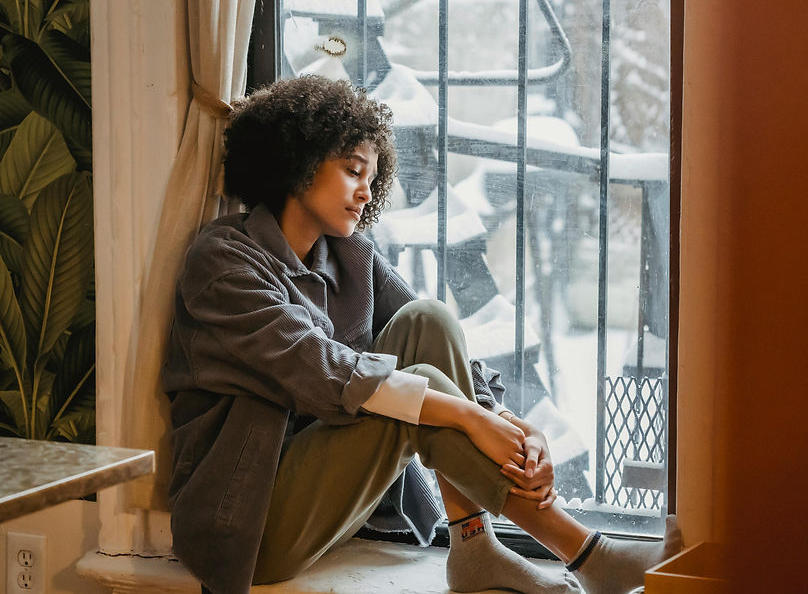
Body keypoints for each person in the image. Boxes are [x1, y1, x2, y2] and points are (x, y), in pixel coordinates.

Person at [163, 75, 683, 594]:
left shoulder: (351, 253)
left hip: (330, 499)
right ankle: (591, 555)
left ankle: (476, 547)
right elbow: (322, 370)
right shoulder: (223, 261)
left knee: (428, 318)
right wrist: (469, 417)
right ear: (295, 164)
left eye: (372, 175)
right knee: (414, 392)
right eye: (351, 171)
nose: (367, 191)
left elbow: (427, 332)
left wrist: (507, 422)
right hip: (248, 524)